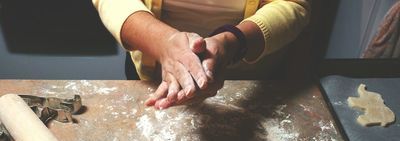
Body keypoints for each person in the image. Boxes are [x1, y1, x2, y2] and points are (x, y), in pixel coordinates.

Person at [92, 0, 311, 109]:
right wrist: (163, 42)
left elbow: (293, 4)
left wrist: (232, 42)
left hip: (250, 81)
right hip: (153, 76)